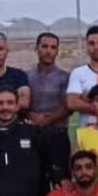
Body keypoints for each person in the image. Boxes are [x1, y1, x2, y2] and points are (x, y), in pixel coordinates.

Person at [26, 31, 71, 166]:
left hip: (58, 134)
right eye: (44, 46)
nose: (48, 51)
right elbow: (20, 103)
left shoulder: (65, 77)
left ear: (57, 51)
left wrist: (47, 120)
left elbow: (69, 106)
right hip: (32, 133)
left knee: (60, 175)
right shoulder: (26, 76)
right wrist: (32, 116)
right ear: (36, 48)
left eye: (53, 47)